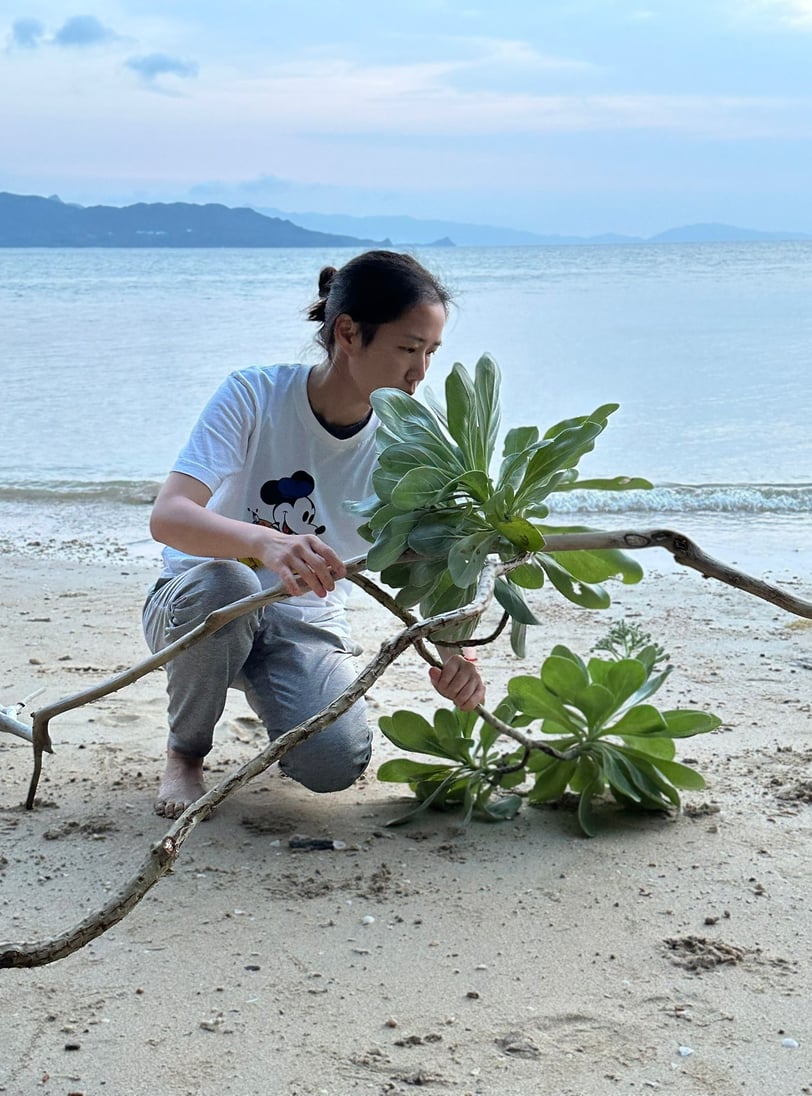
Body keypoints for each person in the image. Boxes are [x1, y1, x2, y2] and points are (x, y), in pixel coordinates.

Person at [143, 250, 486, 819]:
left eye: (430, 351)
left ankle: (270, 686)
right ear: (348, 333)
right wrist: (262, 542)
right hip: (198, 609)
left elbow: (422, 556)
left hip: (302, 622)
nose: (420, 371)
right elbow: (170, 516)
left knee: (334, 765)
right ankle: (186, 753)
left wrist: (454, 655)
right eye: (407, 348)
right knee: (229, 580)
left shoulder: (406, 442)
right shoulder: (254, 395)